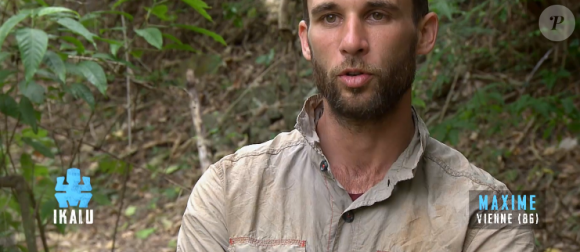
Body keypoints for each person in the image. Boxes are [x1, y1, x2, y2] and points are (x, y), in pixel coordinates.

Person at [176, 0, 537, 251]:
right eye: (330, 17)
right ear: (306, 39)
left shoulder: (490, 212)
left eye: (377, 14)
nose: (352, 42)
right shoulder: (228, 190)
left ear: (424, 34)